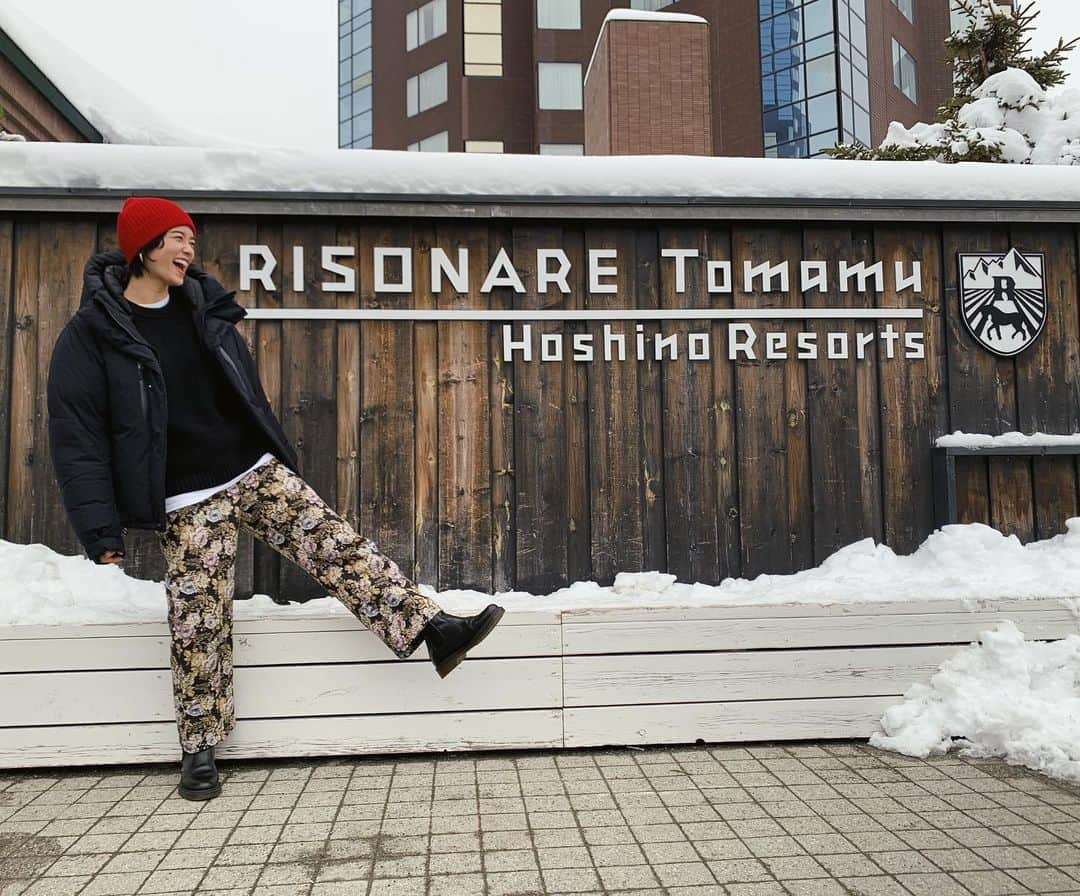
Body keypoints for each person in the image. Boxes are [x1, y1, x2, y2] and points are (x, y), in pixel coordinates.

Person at [47, 197, 504, 802]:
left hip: (251, 469)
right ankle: (199, 749)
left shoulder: (202, 307)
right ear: (143, 247)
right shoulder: (93, 333)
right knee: (199, 620)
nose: (189, 249)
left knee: (338, 548)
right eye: (177, 238)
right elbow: (76, 434)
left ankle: (433, 630)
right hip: (185, 498)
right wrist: (99, 531)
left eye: (191, 238)